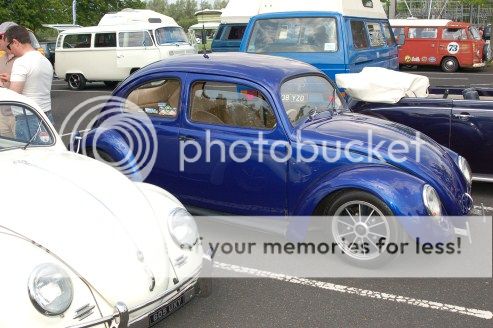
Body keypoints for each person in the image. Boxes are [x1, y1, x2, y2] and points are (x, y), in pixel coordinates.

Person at [0, 25, 53, 141]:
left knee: (28, 155)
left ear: (15, 42)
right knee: (45, 154)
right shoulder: (44, 60)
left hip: (27, 118)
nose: (10, 51)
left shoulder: (21, 62)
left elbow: (14, 95)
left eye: (9, 46)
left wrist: (2, 86)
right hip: (46, 115)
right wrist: (11, 78)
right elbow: (33, 81)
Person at [0, 21, 18, 139]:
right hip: (2, 115)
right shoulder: (2, 59)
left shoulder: (25, 59)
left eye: (0, 36)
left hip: (20, 115)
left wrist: (11, 80)